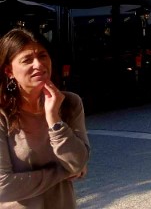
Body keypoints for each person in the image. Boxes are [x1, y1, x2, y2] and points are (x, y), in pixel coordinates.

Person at [0, 28, 90, 208]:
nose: (39, 64)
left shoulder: (69, 103)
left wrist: (54, 120)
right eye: (27, 60)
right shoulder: (3, 115)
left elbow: (79, 161)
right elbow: (3, 187)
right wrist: (63, 172)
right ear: (9, 71)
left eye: (42, 56)